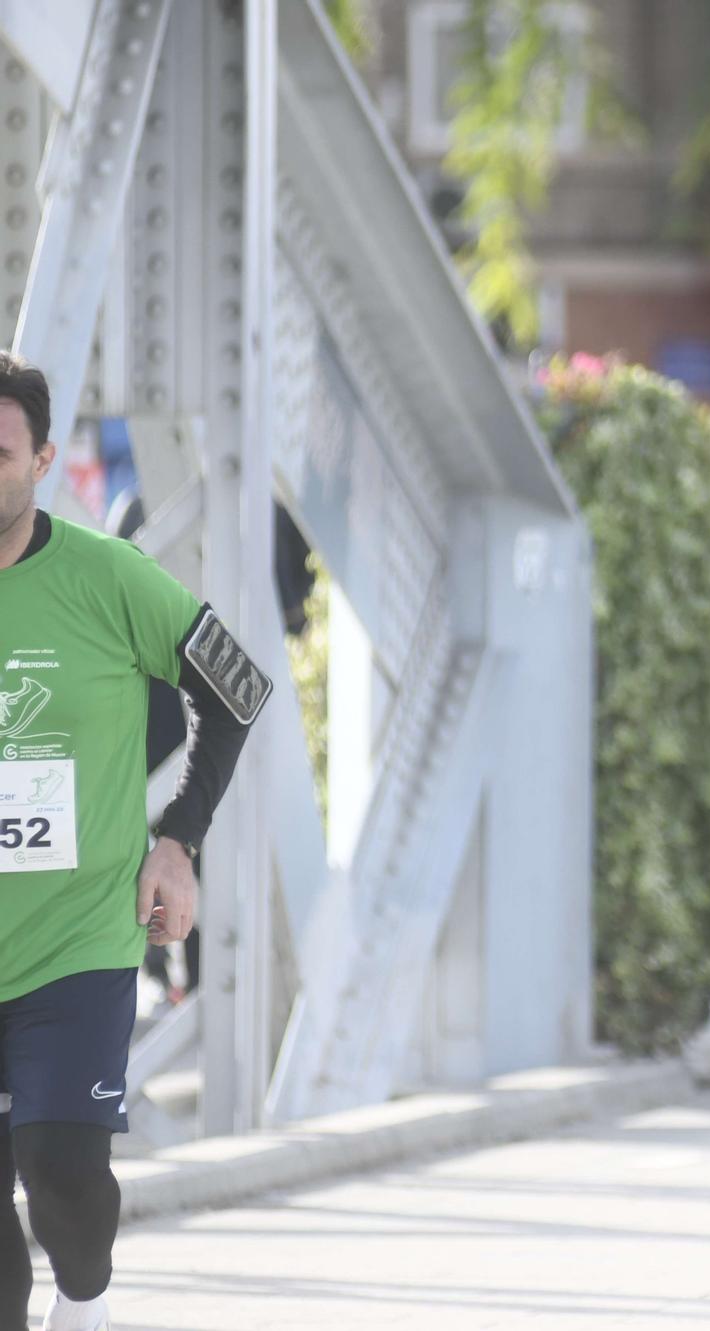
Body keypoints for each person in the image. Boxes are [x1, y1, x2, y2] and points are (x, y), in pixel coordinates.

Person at [0, 352, 268, 1331]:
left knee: (63, 1171)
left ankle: (87, 1301)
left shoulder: (106, 576)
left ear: (41, 463)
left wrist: (177, 839)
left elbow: (236, 688)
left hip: (76, 941)